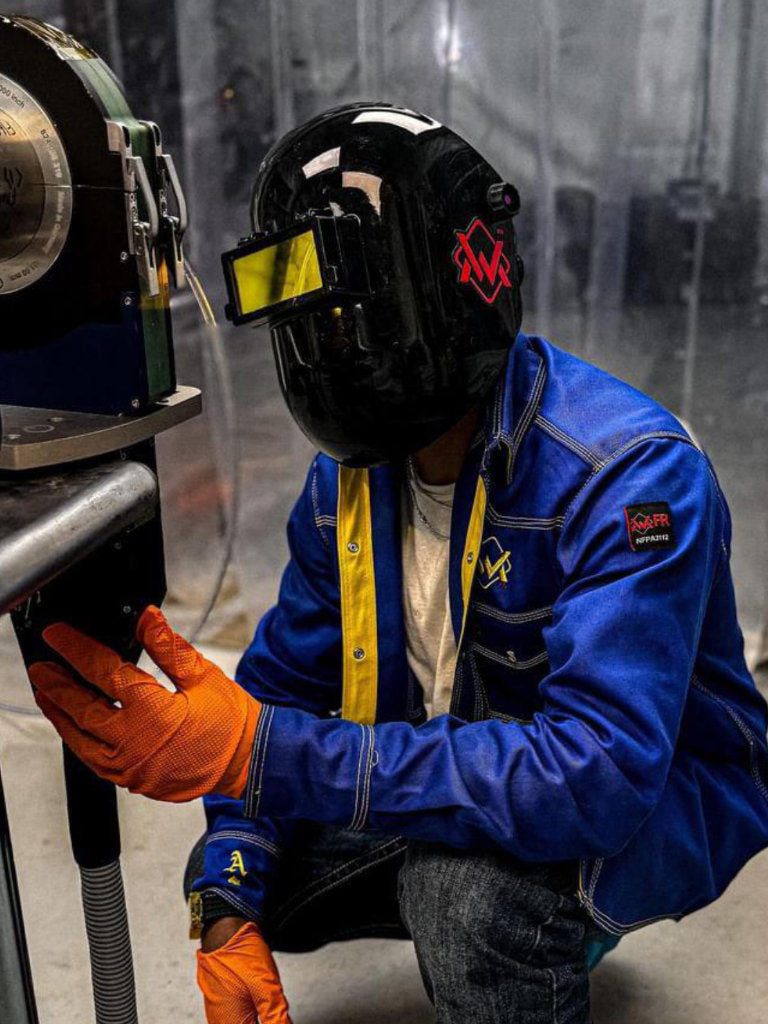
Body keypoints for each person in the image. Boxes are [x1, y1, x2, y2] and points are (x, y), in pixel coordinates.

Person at [29, 104, 768, 1024]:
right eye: (305, 316)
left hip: (656, 793)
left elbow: (599, 776)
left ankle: (554, 913)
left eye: (346, 309)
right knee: (264, 857)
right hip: (482, 747)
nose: (329, 343)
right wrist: (226, 905)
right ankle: (483, 875)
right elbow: (283, 695)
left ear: (447, 280)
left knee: (464, 896)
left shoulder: (629, 475)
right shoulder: (344, 486)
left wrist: (266, 753)